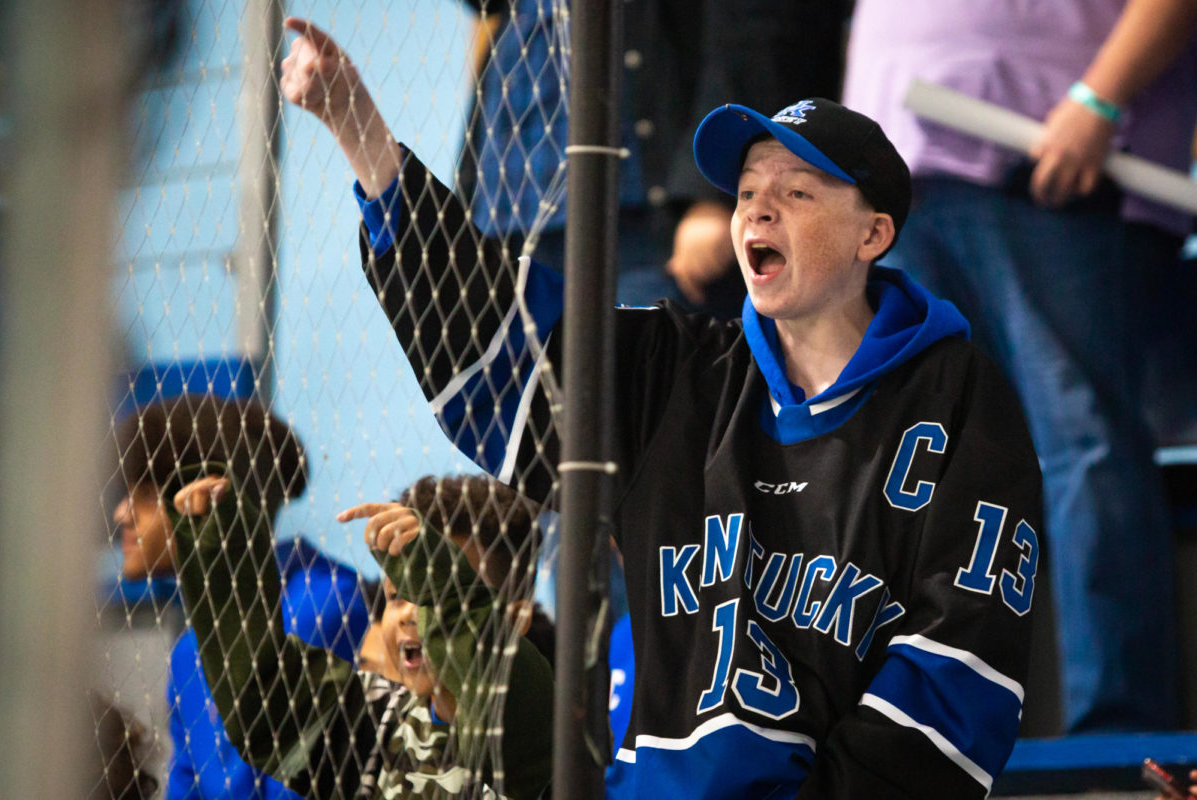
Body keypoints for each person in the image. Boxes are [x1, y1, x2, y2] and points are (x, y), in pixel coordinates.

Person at [283, 17, 1044, 798]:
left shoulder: (960, 396)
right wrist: (361, 136)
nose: (757, 211)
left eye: (796, 192)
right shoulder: (679, 372)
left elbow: (961, 662)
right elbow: (501, 336)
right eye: (746, 192)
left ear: (872, 234)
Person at [841, 0, 1197, 733]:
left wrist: (1100, 97)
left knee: (1082, 441)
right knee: (920, 464)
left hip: (1053, 158)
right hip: (897, 168)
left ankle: (1115, 731)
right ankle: (923, 726)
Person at [167, 469, 554, 799]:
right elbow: (264, 697)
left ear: (516, 620)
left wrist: (447, 595)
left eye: (433, 594)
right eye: (398, 596)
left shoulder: (543, 728)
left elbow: (507, 699)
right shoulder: (376, 721)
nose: (408, 616)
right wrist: (223, 551)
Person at [448, 0, 849, 318]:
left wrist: (716, 190)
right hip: (505, 209)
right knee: (529, 411)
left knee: (645, 405)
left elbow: (765, 23)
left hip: (647, 215)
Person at [113, 395, 371, 799]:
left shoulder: (318, 605)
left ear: (211, 496)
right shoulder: (188, 652)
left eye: (146, 496)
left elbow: (313, 776)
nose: (122, 515)